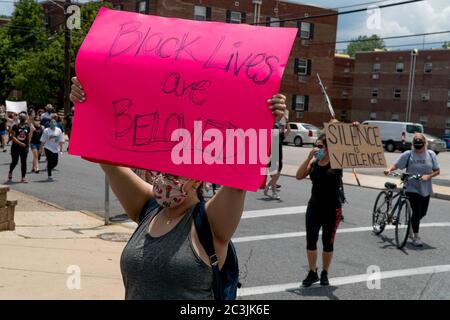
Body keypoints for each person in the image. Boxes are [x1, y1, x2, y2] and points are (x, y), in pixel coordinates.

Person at [70, 76, 287, 299]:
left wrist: (266, 119)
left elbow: (240, 179)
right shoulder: (147, 208)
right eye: (161, 170)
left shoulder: (211, 223)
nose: (163, 178)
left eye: (174, 171)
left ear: (198, 178)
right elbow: (106, 158)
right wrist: (88, 101)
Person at [296, 132, 343, 287]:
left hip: (332, 209)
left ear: (329, 148)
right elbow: (299, 176)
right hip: (314, 207)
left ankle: (324, 273)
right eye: (315, 145)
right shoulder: (314, 162)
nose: (317, 148)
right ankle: (312, 272)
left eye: (320, 146)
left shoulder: (337, 162)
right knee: (311, 241)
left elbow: (350, 147)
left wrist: (354, 129)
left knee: (328, 243)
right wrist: (309, 157)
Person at [384, 133, 440, 247]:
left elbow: (437, 171)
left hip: (425, 187)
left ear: (425, 143)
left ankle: (411, 223)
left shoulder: (431, 154)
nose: (418, 143)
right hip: (411, 186)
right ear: (413, 143)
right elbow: (396, 165)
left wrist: (429, 176)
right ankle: (416, 236)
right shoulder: (408, 154)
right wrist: (389, 169)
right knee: (417, 211)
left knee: (422, 213)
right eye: (416, 141)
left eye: (420, 141)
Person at [40, 117, 65, 181]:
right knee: (50, 161)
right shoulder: (46, 130)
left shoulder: (58, 130)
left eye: (54, 122)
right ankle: (49, 175)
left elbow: (61, 140)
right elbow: (43, 140)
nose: (53, 123)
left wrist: (61, 150)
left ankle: (49, 168)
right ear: (49, 123)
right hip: (48, 148)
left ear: (56, 123)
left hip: (55, 148)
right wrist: (41, 149)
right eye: (51, 122)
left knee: (55, 163)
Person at [8, 113, 31, 183]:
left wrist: (28, 146)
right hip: (15, 147)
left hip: (24, 147)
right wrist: (19, 143)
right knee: (15, 161)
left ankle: (23, 177)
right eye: (22, 117)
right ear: (20, 119)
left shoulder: (27, 127)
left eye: (24, 117)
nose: (23, 119)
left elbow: (28, 137)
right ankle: (10, 172)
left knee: (23, 162)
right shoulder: (15, 126)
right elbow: (12, 137)